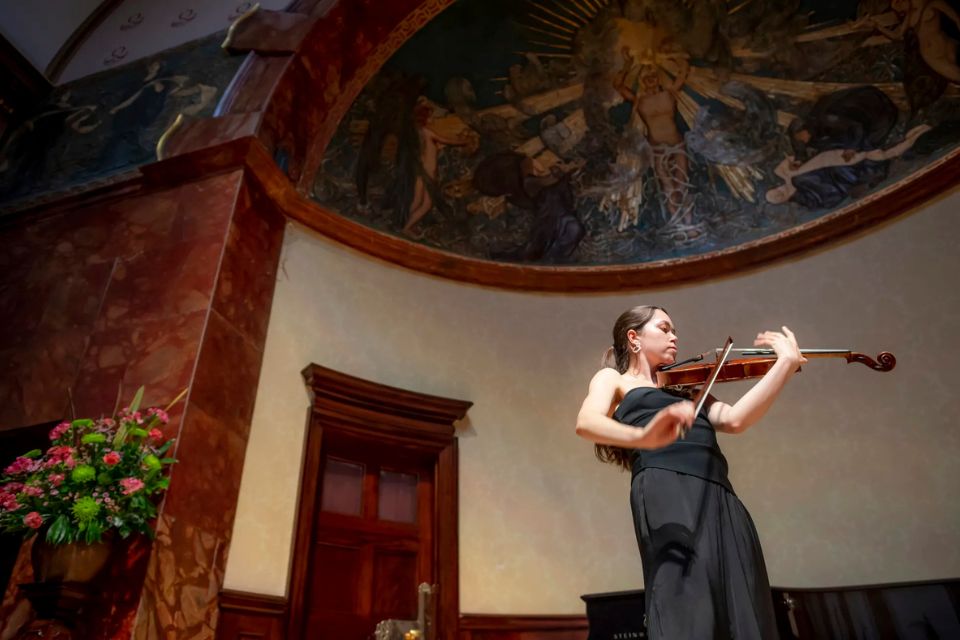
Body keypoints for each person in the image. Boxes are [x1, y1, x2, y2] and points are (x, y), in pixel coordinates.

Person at [575, 305, 806, 639]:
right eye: (665, 328)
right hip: (665, 488)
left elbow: (735, 419)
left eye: (675, 331)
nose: (675, 336)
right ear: (634, 337)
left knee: (740, 598)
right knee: (686, 601)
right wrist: (643, 437)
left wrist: (783, 365)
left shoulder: (687, 387)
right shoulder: (613, 379)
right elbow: (587, 422)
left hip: (720, 497)